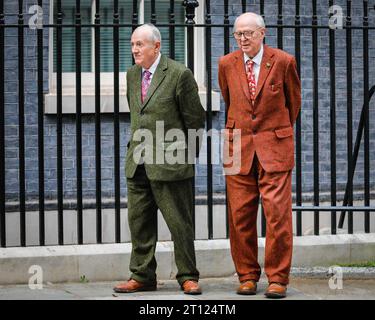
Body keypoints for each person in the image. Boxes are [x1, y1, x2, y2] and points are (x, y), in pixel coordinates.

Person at [113, 24, 205, 295]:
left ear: (157, 46)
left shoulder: (179, 74)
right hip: (138, 161)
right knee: (139, 222)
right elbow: (137, 114)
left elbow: (195, 120)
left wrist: (184, 157)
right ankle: (142, 275)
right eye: (132, 45)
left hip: (171, 164)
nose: (134, 50)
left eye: (140, 44)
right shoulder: (131, 75)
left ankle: (188, 276)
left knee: (180, 224)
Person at [218, 12, 301, 298]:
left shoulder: (283, 61)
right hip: (237, 148)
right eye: (238, 34)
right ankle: (247, 276)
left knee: (277, 216)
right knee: (240, 217)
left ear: (262, 33)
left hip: (274, 149)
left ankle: (278, 278)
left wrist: (273, 134)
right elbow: (230, 100)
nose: (242, 39)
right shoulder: (226, 64)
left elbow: (293, 105)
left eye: (248, 34)